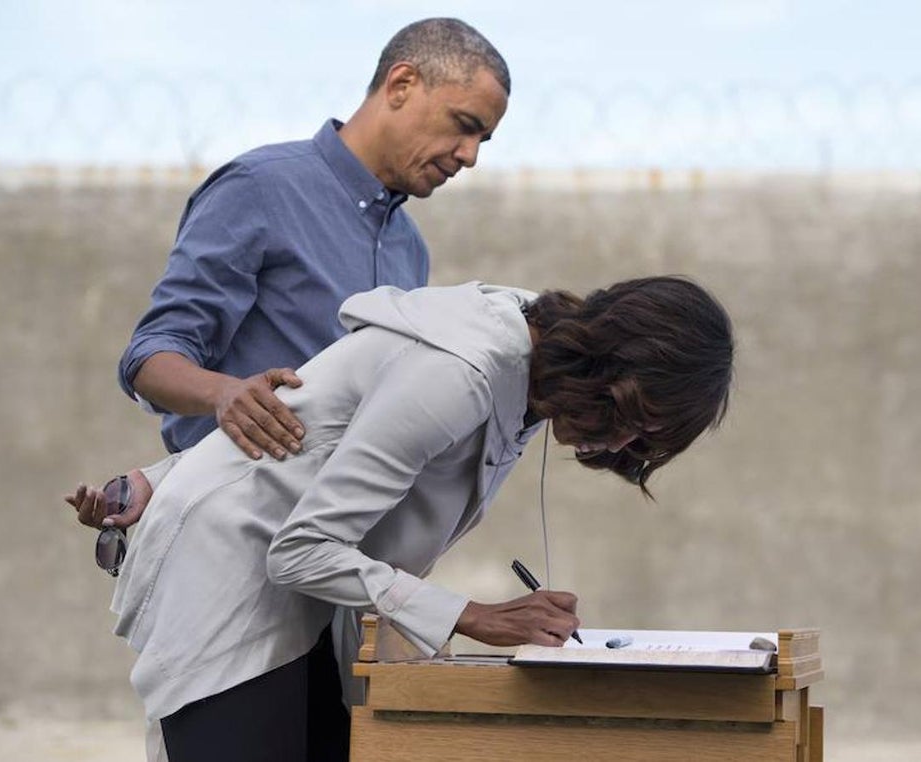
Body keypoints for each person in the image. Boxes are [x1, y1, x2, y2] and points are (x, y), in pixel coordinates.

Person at [100, 276, 734, 762]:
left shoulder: (538, 354)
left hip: (299, 601)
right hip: (227, 585)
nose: (620, 446)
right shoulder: (460, 374)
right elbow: (302, 548)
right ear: (610, 366)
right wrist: (472, 616)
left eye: (645, 441)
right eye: (630, 418)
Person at [69, 17, 512, 531]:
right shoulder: (259, 187)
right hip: (224, 528)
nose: (470, 156)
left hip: (333, 543)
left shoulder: (409, 249)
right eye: (463, 124)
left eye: (483, 139)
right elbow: (150, 358)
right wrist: (225, 394)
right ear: (401, 84)